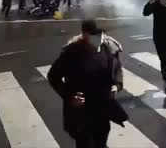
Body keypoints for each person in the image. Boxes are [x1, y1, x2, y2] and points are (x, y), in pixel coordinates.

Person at [47, 20, 128, 148]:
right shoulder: (72, 53)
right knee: (84, 143)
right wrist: (70, 97)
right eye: (95, 35)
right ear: (85, 34)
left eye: (101, 34)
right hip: (82, 113)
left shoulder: (107, 49)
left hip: (102, 109)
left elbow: (117, 68)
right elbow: (53, 77)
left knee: (101, 141)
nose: (99, 38)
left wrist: (117, 86)